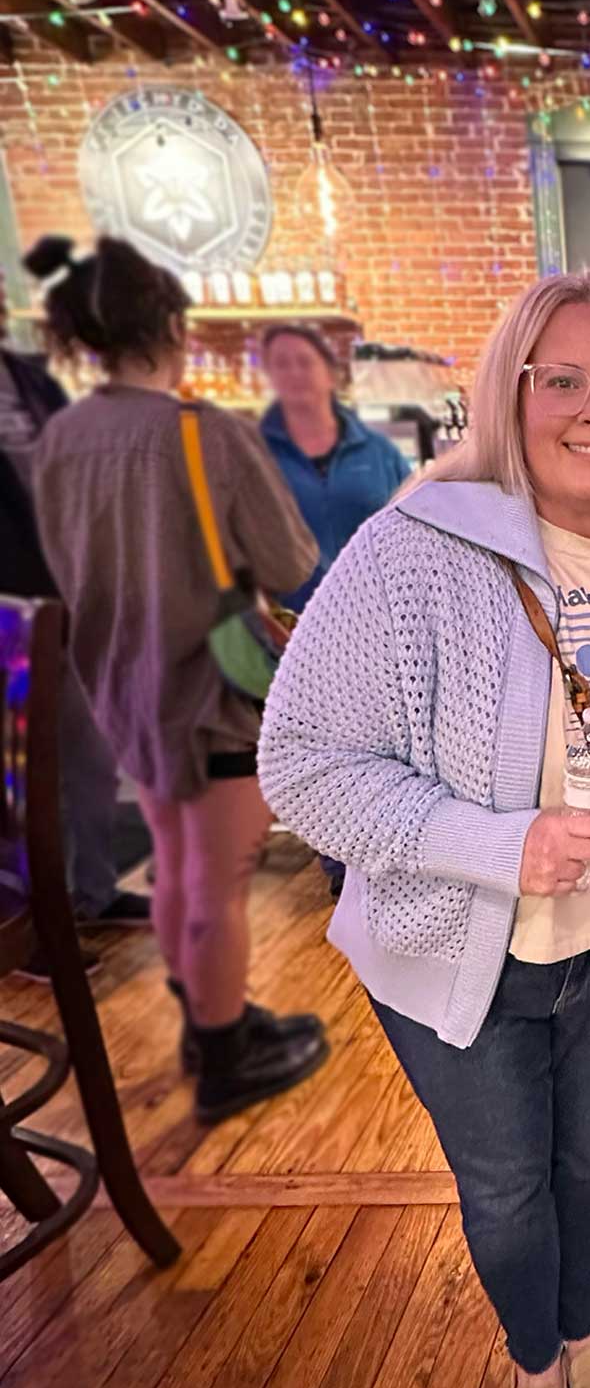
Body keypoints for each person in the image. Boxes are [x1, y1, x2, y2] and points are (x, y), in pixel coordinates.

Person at [258, 272, 590, 1388]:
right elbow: (297, 763)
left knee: (587, 1160)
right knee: (508, 1186)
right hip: (466, 956)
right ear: (509, 391)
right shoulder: (423, 545)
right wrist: (494, 844)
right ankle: (535, 1370)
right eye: (560, 378)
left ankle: (584, 1325)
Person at [25, 234, 329, 1123]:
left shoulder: (61, 440)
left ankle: (206, 1016)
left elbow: (60, 562)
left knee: (176, 869)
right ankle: (228, 1048)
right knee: (220, 879)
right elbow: (290, 557)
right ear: (169, 323)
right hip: (214, 694)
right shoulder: (204, 434)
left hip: (117, 688)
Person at [0, 264, 149, 946]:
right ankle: (34, 921)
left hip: (62, 596)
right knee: (19, 780)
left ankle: (89, 893)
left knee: (89, 754)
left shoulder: (29, 380)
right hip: (7, 615)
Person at [259, 323, 411, 613]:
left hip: (375, 621)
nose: (294, 373)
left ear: (330, 375)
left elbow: (415, 528)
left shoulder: (379, 452)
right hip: (290, 631)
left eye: (304, 362)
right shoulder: (256, 457)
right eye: (281, 364)